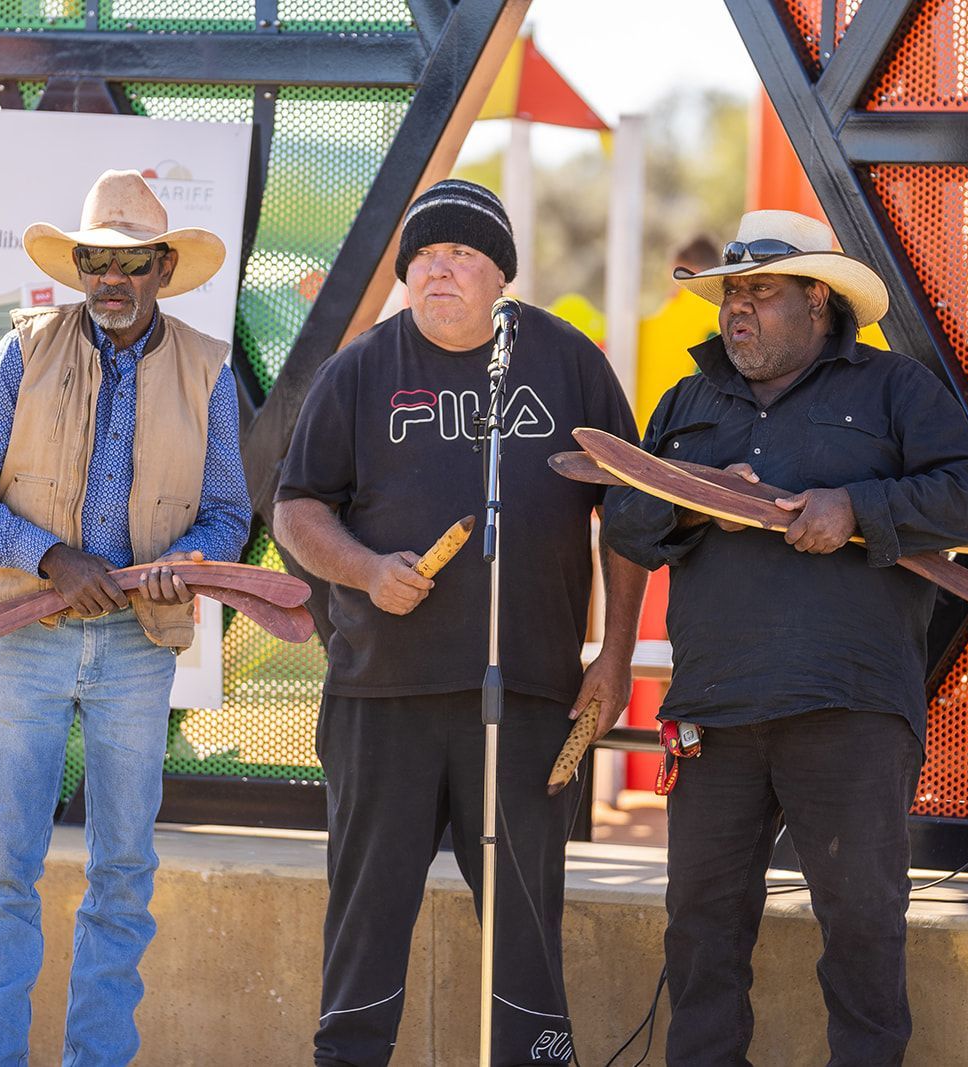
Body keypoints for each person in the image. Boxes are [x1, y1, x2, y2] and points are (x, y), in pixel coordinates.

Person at [602, 210, 968, 1066]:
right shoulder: (687, 399)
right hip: (714, 712)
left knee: (861, 928)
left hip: (849, 707)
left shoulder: (893, 389)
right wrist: (698, 491)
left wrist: (859, 506)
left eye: (760, 292)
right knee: (701, 933)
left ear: (818, 300)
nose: (736, 310)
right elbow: (626, 518)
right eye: (729, 295)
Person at [272, 178, 647, 1067]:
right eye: (424, 259)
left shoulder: (568, 364)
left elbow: (628, 514)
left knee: (524, 923)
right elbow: (296, 508)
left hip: (526, 697)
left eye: (462, 257)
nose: (439, 273)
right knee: (365, 921)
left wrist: (617, 652)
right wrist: (365, 569)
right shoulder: (360, 368)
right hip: (382, 696)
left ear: (500, 276)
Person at [0, 169, 251, 1066]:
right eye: (95, 260)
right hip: (24, 640)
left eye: (131, 262)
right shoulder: (22, 351)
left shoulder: (209, 369)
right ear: (77, 266)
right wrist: (53, 559)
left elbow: (230, 512)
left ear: (161, 267)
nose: (111, 279)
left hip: (137, 648)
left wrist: (183, 562)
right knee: (4, 871)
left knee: (122, 876)